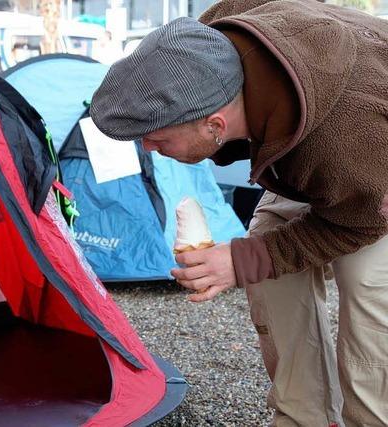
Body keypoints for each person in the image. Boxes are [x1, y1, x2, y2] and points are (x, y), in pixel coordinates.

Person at [89, 1, 388, 426]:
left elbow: (359, 221)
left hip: (373, 173)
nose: (148, 150)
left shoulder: (349, 144)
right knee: (268, 270)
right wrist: (248, 259)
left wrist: (240, 258)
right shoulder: (207, 42)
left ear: (214, 124)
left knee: (369, 296)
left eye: (156, 139)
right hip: (308, 149)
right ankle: (303, 416)